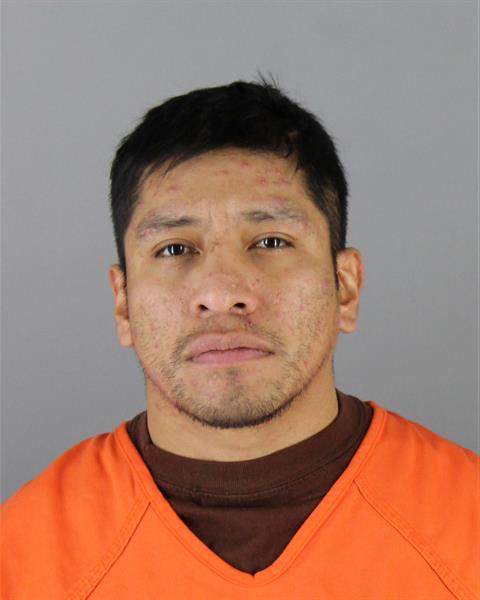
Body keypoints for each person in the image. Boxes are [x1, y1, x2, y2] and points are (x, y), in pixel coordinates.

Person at [2, 79, 478, 600]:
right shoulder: (21, 556)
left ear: (345, 287)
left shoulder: (467, 524)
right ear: (123, 302)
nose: (222, 293)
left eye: (271, 241)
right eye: (174, 249)